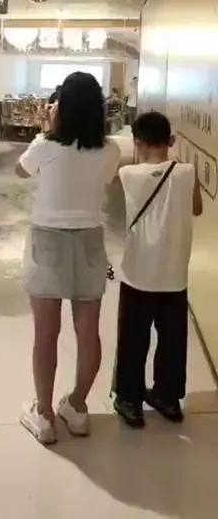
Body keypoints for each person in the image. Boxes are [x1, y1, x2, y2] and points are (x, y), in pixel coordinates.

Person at [16, 72, 121, 444]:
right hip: (90, 240)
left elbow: (20, 170)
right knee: (88, 332)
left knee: (46, 333)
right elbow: (105, 181)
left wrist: (48, 128)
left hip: (49, 240)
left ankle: (44, 414)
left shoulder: (45, 144)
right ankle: (76, 407)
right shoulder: (110, 149)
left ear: (61, 105)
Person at [113, 111, 202, 428]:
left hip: (138, 272)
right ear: (171, 141)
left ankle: (130, 401)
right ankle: (168, 397)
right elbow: (197, 208)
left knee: (133, 339)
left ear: (137, 143)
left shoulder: (128, 174)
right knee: (173, 339)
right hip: (175, 274)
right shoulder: (187, 172)